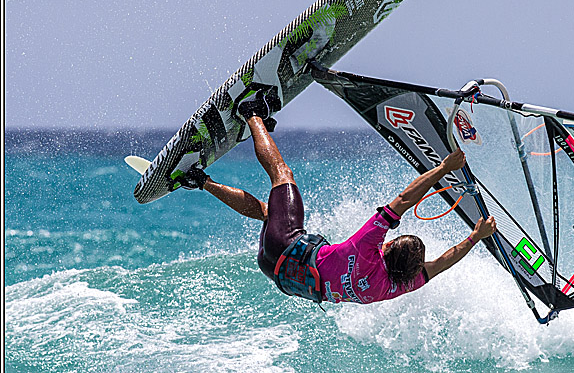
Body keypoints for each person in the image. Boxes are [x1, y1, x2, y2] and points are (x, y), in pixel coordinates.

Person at [177, 90, 497, 305]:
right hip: (280, 275)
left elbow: (404, 200)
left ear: (385, 248)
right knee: (269, 212)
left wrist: (443, 167)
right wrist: (476, 238)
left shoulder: (368, 246)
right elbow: (442, 264)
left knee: (283, 176)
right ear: (412, 272)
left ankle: (251, 114)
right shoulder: (392, 288)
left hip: (286, 246)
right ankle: (200, 179)